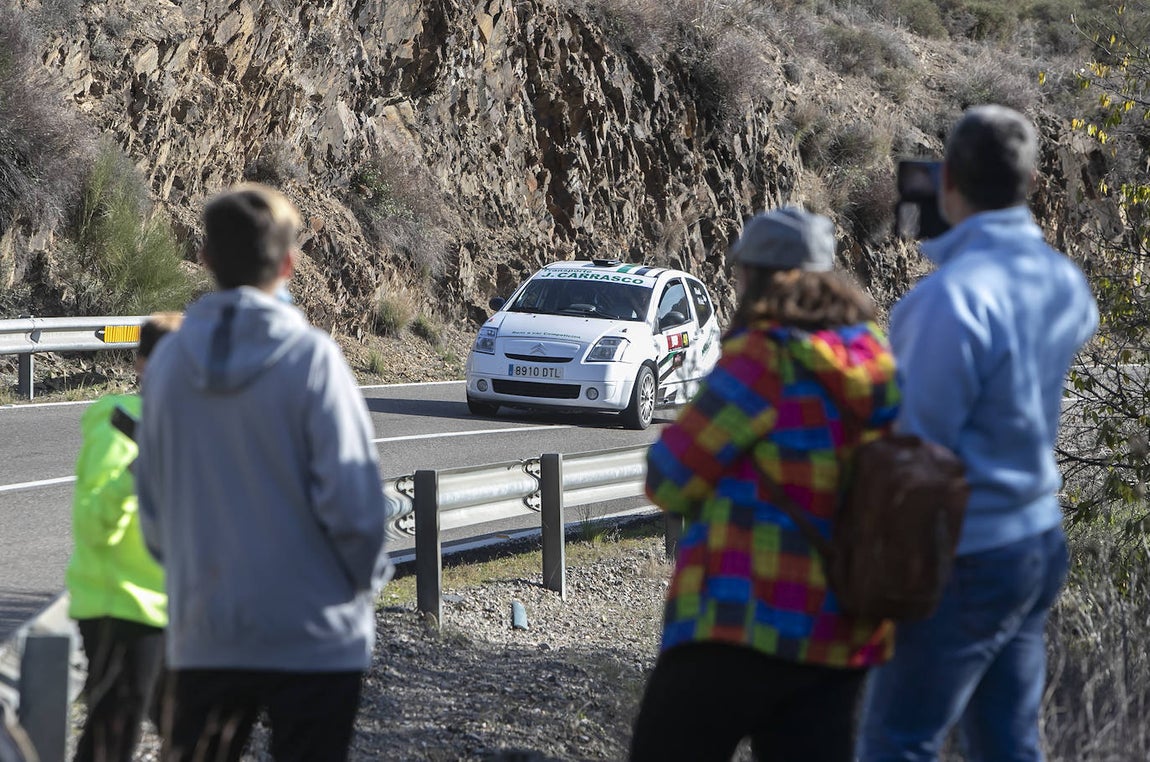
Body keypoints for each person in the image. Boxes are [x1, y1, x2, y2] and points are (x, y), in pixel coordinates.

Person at [856, 105, 1099, 761]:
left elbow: (917, 447)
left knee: (896, 740)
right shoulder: (1062, 281)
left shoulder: (946, 301)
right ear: (1031, 183)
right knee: (1006, 742)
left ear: (947, 182)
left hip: (964, 552)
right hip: (1034, 539)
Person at [629, 206, 900, 761]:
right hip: (846, 634)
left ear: (755, 275)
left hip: (738, 617)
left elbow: (670, 477)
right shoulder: (877, 364)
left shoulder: (765, 356)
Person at [135, 183, 391, 762]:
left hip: (207, 632)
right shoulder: (312, 360)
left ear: (204, 258)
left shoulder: (168, 363)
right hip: (314, 636)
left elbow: (152, 507)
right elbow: (354, 507)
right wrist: (359, 586)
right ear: (289, 263)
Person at [65, 312, 182, 762]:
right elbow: (94, 524)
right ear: (141, 365)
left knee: (188, 728)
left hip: (170, 607)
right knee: (112, 735)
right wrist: (139, 465)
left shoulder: (190, 427)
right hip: (121, 606)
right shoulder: (120, 422)